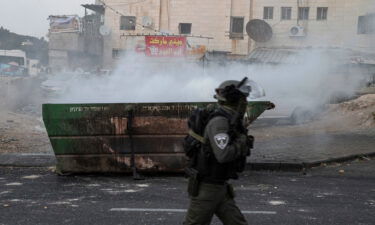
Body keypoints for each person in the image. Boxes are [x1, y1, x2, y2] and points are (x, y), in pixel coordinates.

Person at [183, 77, 254, 225]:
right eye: (244, 99)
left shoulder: (229, 119)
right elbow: (223, 155)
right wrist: (241, 143)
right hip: (208, 189)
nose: (246, 103)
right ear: (234, 100)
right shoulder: (219, 122)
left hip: (220, 187)